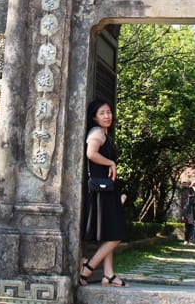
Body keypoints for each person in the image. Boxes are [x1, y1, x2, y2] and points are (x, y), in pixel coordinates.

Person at [80, 98, 129, 288]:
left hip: (106, 189)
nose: (107, 116)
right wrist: (110, 163)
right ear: (94, 117)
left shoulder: (105, 133)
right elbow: (91, 154)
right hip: (101, 190)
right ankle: (88, 269)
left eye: (108, 112)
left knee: (109, 233)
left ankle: (108, 275)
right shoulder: (97, 133)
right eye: (102, 113)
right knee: (116, 234)